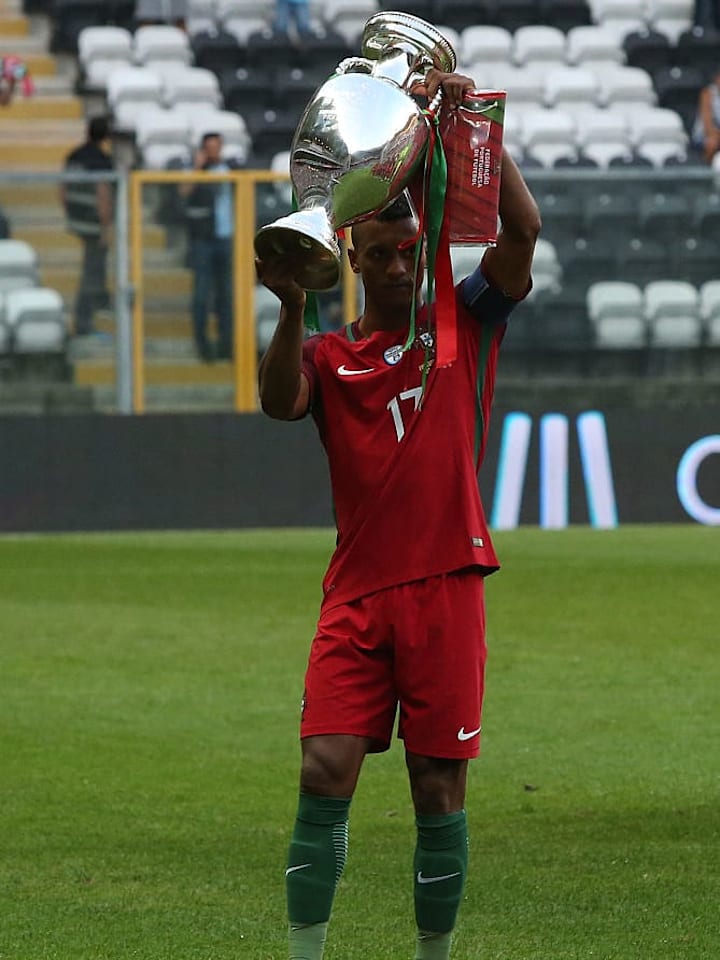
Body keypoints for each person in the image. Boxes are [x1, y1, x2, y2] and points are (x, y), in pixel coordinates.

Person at [256, 67, 541, 960]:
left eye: (405, 249)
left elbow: (522, 231)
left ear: (421, 248)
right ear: (351, 255)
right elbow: (277, 404)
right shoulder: (328, 354)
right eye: (375, 252)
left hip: (448, 586)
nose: (392, 263)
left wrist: (473, 136)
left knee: (437, 791)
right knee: (322, 769)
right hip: (356, 596)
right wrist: (291, 298)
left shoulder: (465, 323)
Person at [181, 132, 240, 362]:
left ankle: (226, 345)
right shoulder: (197, 173)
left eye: (217, 147)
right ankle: (203, 344)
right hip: (203, 240)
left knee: (226, 294)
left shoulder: (229, 170)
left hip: (226, 238)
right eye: (209, 148)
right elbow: (183, 192)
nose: (214, 152)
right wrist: (198, 167)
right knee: (201, 293)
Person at [60, 116, 114, 337]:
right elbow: (103, 194)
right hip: (93, 223)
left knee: (95, 267)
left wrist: (70, 213)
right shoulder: (102, 160)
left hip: (77, 219)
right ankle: (83, 323)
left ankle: (102, 299)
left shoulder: (74, 155)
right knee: (90, 272)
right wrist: (105, 227)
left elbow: (62, 189)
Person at [692, 68, 720, 164]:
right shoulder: (707, 93)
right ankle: (706, 173)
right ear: (717, 79)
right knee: (712, 143)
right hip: (703, 136)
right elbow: (708, 127)